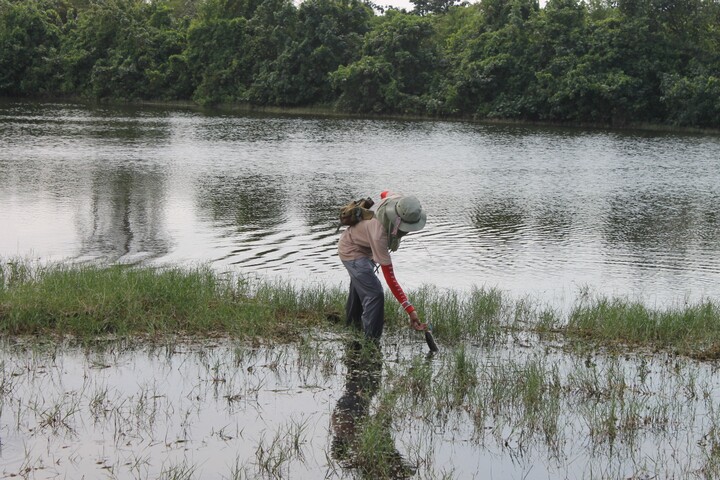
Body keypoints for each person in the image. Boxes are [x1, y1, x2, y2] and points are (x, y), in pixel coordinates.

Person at [337, 191, 427, 340]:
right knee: (375, 294)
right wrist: (410, 310)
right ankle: (371, 340)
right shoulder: (380, 235)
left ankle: (352, 324)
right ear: (399, 221)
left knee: (361, 284)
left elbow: (384, 193)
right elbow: (390, 279)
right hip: (351, 250)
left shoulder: (396, 200)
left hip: (365, 247)